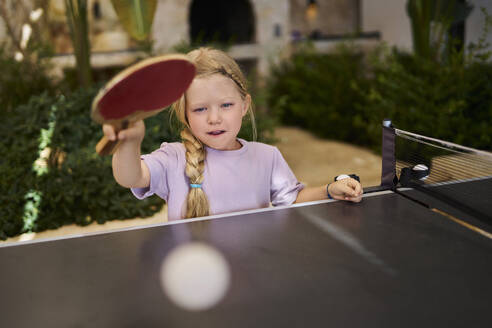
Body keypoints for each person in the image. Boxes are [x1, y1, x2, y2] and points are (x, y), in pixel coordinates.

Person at [102, 47, 362, 221]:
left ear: (245, 105)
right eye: (200, 108)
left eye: (226, 105)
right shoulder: (173, 157)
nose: (214, 118)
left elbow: (292, 199)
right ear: (185, 114)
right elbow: (131, 177)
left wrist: (329, 190)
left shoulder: (267, 156)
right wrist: (129, 143)